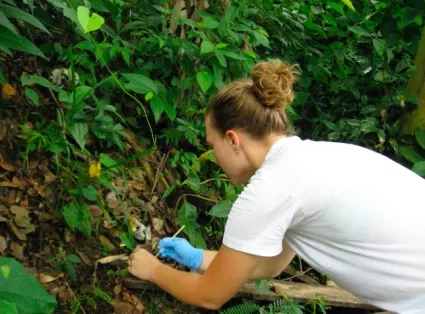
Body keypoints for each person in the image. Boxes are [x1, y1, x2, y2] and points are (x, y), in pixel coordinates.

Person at [127, 59, 425, 313]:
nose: (212, 156)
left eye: (211, 144)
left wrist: (154, 271)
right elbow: (269, 265)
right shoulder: (311, 159)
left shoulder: (270, 190)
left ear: (232, 139)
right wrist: (196, 257)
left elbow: (209, 295)